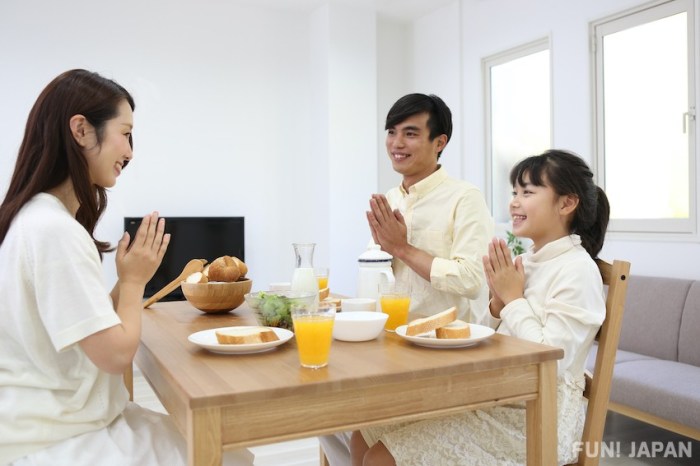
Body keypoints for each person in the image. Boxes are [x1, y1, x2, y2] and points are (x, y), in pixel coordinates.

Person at [0, 69, 253, 465]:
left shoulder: (34, 219)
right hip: (58, 432)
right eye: (126, 133)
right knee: (232, 454)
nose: (131, 152)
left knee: (230, 449)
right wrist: (134, 283)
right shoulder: (53, 230)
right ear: (81, 130)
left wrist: (127, 280)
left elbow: (85, 324)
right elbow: (115, 355)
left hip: (44, 420)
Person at [350, 149, 611, 465]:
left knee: (380, 459)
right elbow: (492, 339)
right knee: (363, 434)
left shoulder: (578, 270)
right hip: (503, 396)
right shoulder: (526, 262)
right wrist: (498, 305)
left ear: (566, 204)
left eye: (527, 192)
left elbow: (552, 361)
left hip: (540, 417)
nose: (514, 201)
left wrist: (514, 301)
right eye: (514, 192)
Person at [320, 93, 494, 465]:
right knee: (355, 442)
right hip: (393, 347)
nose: (397, 144)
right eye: (391, 132)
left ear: (439, 142)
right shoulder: (389, 198)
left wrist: (402, 248)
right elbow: (376, 271)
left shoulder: (465, 197)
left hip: (445, 355)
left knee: (371, 452)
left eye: (411, 133)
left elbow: (471, 280)